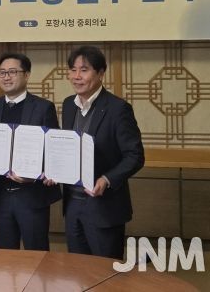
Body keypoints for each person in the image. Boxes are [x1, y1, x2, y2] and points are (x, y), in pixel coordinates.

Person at [53, 45, 144, 259]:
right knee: (78, 268)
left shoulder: (117, 109)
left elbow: (135, 155)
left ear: (101, 73)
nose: (77, 76)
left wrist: (107, 179)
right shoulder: (68, 105)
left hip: (104, 207)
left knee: (105, 270)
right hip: (73, 204)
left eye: (84, 70)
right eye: (73, 70)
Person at [0, 52, 61, 251]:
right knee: (6, 256)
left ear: (26, 75)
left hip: (32, 195)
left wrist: (35, 175)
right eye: (2, 72)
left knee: (37, 253)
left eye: (12, 72)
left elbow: (53, 151)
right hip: (1, 195)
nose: (6, 77)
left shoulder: (43, 107)